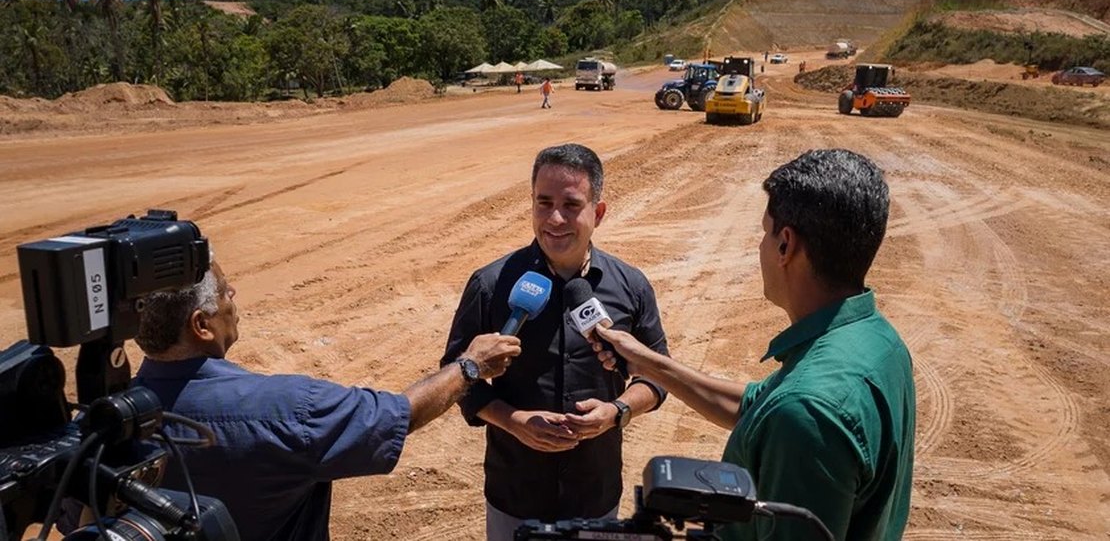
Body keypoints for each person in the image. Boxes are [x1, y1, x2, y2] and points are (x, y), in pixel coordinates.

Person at [592, 149, 915, 541]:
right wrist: (645, 362)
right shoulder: (878, 341)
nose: (760, 246)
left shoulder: (807, 411)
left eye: (765, 232)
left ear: (786, 246)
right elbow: (755, 406)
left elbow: (793, 412)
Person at [131, 256, 521, 541]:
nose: (232, 294)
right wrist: (470, 366)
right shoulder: (287, 409)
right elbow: (399, 415)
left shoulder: (109, 423)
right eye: (222, 291)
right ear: (201, 325)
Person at [441, 143, 670, 540]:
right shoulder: (491, 284)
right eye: (543, 203)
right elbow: (454, 377)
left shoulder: (631, 286)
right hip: (515, 494)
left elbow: (658, 376)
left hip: (595, 493)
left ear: (598, 213)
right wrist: (513, 421)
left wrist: (616, 412)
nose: (555, 218)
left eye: (571, 205)